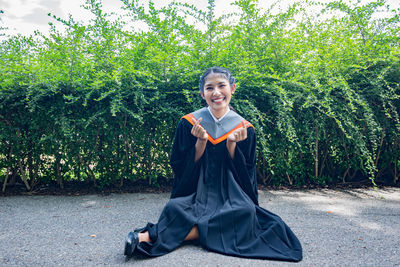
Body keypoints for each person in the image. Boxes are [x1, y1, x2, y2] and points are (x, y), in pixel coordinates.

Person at [124, 67, 302, 261]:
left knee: (245, 211)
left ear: (232, 88)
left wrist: (232, 144)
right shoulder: (189, 123)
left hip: (230, 191)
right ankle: (210, 231)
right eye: (210, 88)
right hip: (197, 190)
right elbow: (180, 166)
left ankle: (149, 236)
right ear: (203, 94)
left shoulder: (244, 128)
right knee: (175, 207)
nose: (216, 92)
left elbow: (246, 172)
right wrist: (200, 142)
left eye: (221, 86)